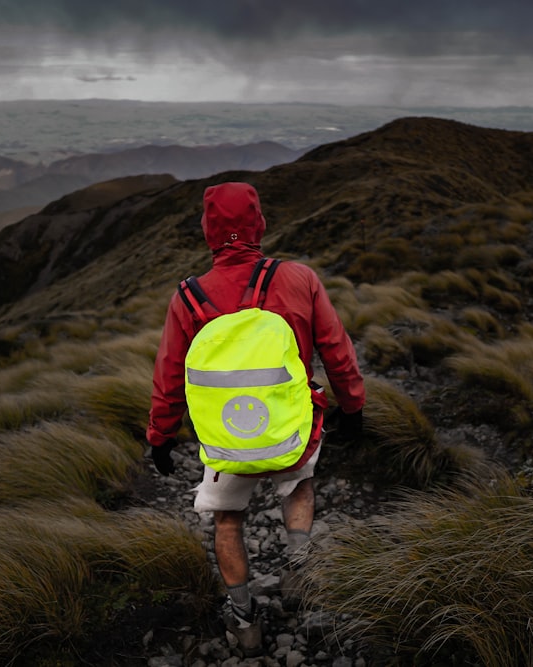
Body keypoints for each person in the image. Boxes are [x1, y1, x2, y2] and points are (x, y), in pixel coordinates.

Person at [146, 181, 365, 656]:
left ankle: (244, 622)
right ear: (259, 225)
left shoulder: (188, 297)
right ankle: (298, 572)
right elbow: (336, 351)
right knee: (300, 486)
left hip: (228, 441)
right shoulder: (300, 279)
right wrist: (353, 407)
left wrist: (160, 436)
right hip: (293, 429)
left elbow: (169, 376)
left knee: (228, 518)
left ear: (207, 231)